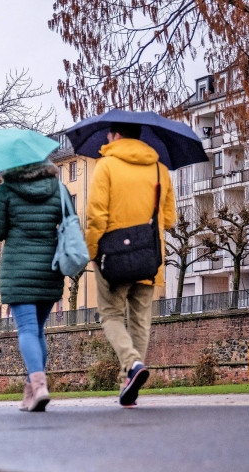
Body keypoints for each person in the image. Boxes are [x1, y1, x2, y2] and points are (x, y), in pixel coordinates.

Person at [84, 122, 175, 407]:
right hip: (150, 256)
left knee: (110, 314)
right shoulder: (159, 169)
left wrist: (92, 251)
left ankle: (132, 365)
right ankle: (129, 382)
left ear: (116, 135)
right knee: (140, 320)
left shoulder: (106, 165)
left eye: (108, 134)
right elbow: (170, 219)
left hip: (114, 255)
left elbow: (97, 215)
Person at [0, 159, 67, 412]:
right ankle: (32, 392)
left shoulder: (6, 189)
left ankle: (39, 385)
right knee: (38, 330)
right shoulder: (57, 188)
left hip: (18, 269)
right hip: (49, 267)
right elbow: (69, 221)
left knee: (28, 330)